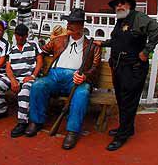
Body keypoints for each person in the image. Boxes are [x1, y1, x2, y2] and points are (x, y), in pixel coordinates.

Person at [94, 0, 158, 151]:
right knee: (122, 100)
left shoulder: (138, 18)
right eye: (116, 4)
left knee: (128, 102)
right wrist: (103, 43)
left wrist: (146, 51)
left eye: (122, 2)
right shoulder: (120, 20)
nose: (119, 5)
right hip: (119, 67)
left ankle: (121, 136)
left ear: (130, 5)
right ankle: (127, 128)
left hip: (134, 68)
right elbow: (118, 41)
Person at [25, 8, 101, 150]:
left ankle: (72, 131)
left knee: (83, 93)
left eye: (73, 22)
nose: (69, 25)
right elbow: (40, 52)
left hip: (76, 79)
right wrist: (38, 66)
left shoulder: (92, 46)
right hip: (54, 76)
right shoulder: (58, 40)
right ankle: (36, 121)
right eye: (69, 22)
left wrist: (85, 76)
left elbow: (95, 69)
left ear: (82, 26)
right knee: (38, 85)